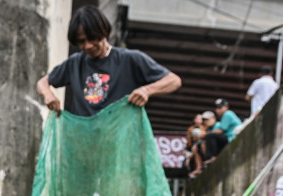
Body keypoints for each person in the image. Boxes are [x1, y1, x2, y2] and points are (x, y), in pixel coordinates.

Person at [36, 5, 181, 117]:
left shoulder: (130, 59)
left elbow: (173, 80)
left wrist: (146, 90)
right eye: (81, 41)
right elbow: (42, 83)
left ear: (104, 31)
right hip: (84, 141)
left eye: (92, 38)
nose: (87, 46)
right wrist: (48, 95)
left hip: (119, 143)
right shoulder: (75, 63)